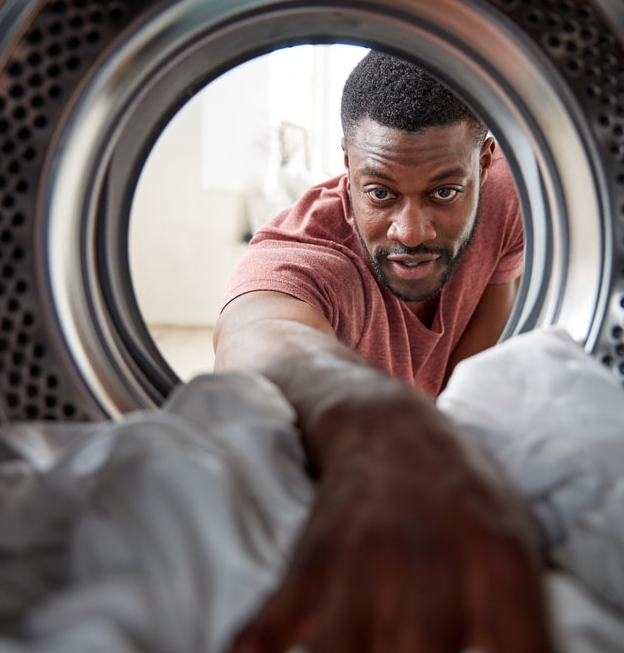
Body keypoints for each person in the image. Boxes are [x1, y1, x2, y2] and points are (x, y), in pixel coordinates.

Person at [213, 51, 549, 651]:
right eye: (380, 192)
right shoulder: (308, 256)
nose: (411, 231)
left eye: (445, 192)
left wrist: (447, 439)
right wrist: (378, 424)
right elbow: (258, 335)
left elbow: (491, 305)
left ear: (487, 160)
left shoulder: (506, 201)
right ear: (347, 165)